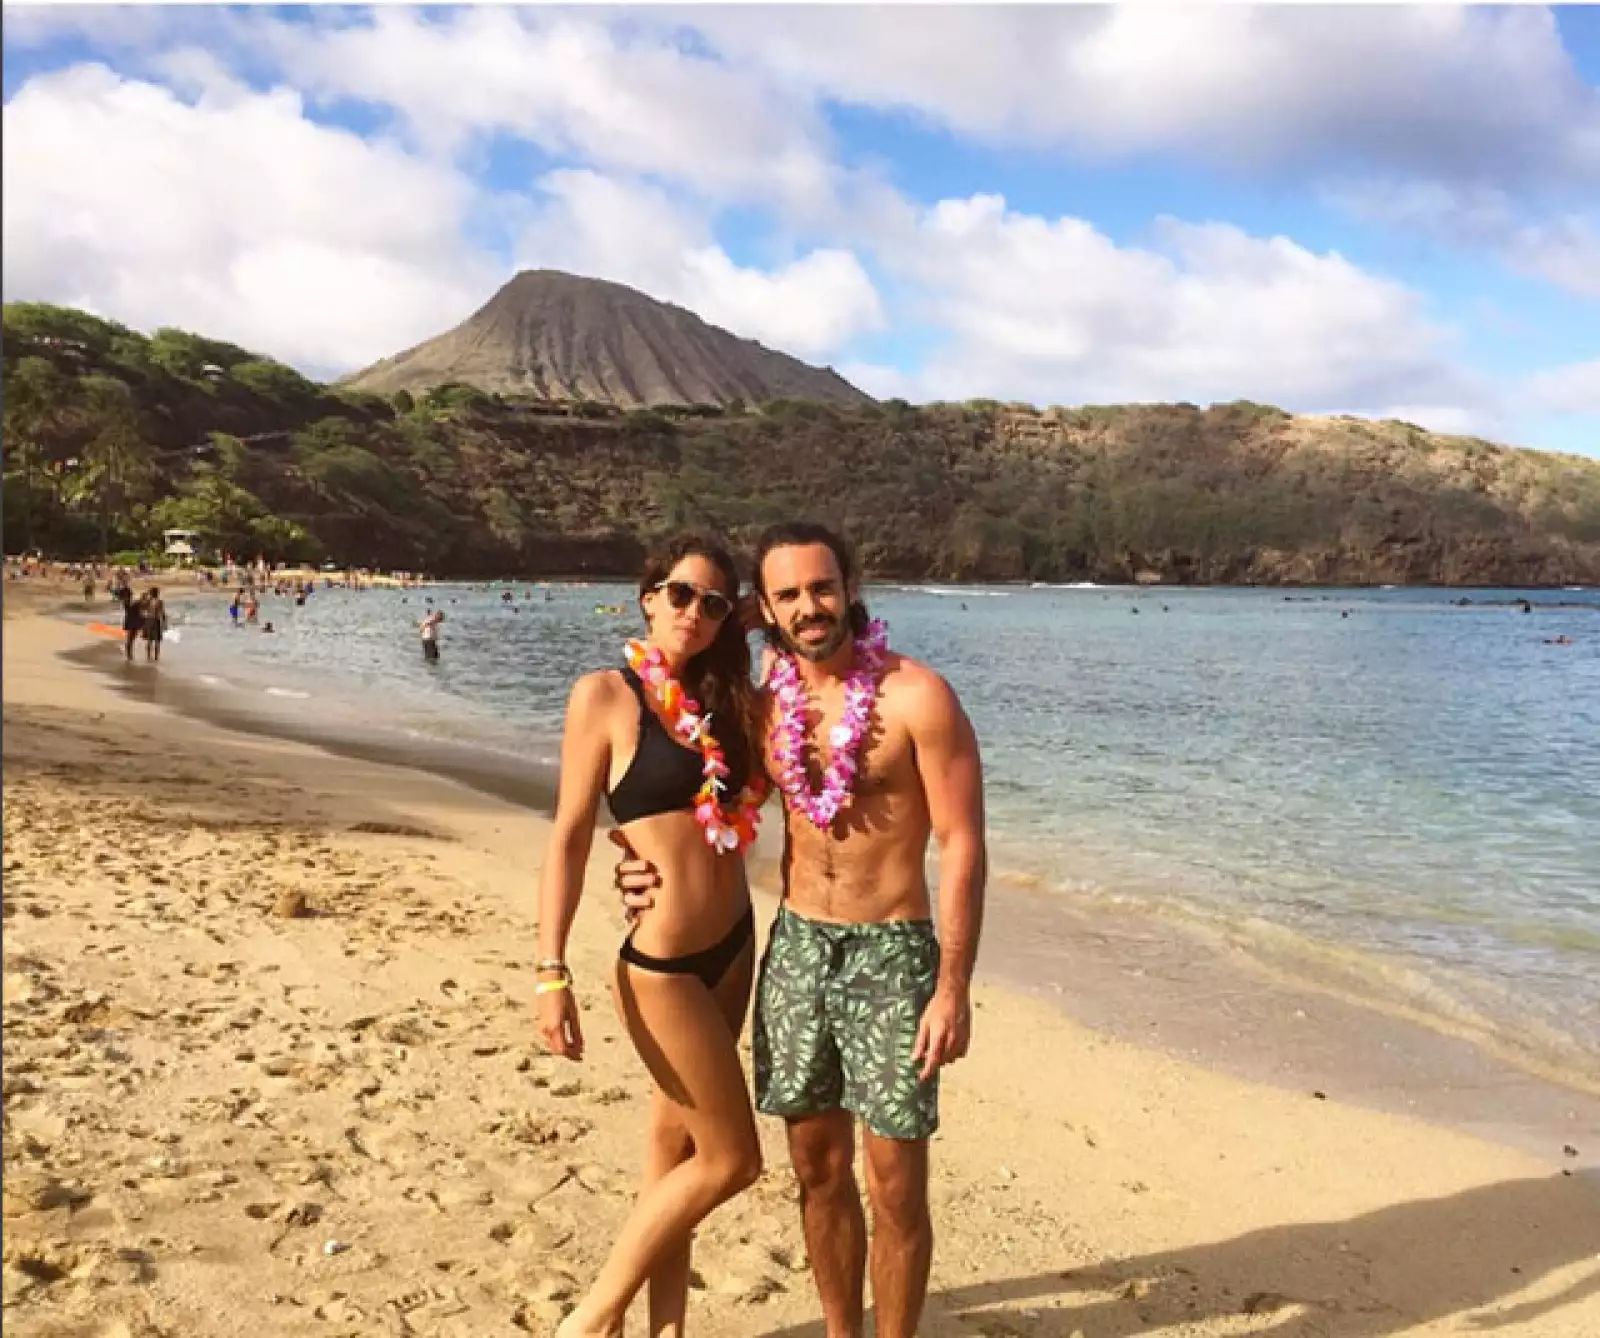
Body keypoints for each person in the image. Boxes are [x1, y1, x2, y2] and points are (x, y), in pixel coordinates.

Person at [615, 521, 987, 1338]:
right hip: (797, 948)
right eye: (786, 595)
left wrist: (953, 986)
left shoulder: (918, 697)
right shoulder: (764, 702)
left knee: (894, 1185)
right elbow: (682, 795)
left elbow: (962, 845)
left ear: (851, 586)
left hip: (892, 955)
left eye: (823, 587)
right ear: (765, 607)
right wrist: (632, 862)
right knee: (816, 1171)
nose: (809, 607)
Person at [537, 534, 770, 1338]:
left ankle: (665, 1332)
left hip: (735, 947)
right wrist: (551, 969)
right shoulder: (605, 695)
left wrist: (754, 622)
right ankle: (593, 1318)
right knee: (733, 1159)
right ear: (647, 596)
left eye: (713, 603)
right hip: (663, 967)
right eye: (680, 594)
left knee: (676, 1161)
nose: (693, 613)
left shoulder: (733, 705)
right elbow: (570, 834)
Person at [119, 586, 146, 662]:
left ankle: (129, 655)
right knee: (130, 639)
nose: (131, 594)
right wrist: (140, 600)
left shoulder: (127, 601)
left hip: (133, 620)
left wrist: (140, 601)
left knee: (131, 639)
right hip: (132, 620)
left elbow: (138, 607)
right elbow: (134, 607)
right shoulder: (126, 601)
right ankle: (129, 655)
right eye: (130, 593)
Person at [142, 587, 167, 663]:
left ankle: (148, 657)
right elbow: (162, 613)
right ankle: (156, 658)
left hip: (148, 620)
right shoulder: (159, 602)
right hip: (156, 621)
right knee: (157, 641)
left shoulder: (148, 601)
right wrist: (164, 623)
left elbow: (142, 609)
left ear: (151, 594)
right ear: (157, 593)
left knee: (149, 640)